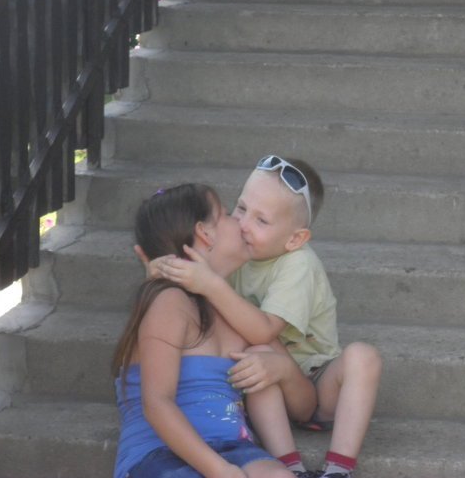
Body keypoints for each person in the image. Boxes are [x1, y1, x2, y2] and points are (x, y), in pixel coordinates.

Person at [151, 156, 383, 478]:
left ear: (294, 240)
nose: (244, 224)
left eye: (261, 220)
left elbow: (264, 330)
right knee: (257, 357)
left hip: (318, 383)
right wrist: (162, 270)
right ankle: (289, 466)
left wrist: (212, 284)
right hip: (265, 384)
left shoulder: (298, 264)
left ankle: (338, 469)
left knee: (363, 356)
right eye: (242, 208)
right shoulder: (241, 253)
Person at [112, 183, 303, 478]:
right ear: (205, 233)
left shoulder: (236, 314)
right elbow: (157, 403)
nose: (240, 222)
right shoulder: (169, 303)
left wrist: (284, 370)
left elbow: (307, 407)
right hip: (158, 453)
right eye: (227, 214)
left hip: (234, 448)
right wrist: (220, 471)